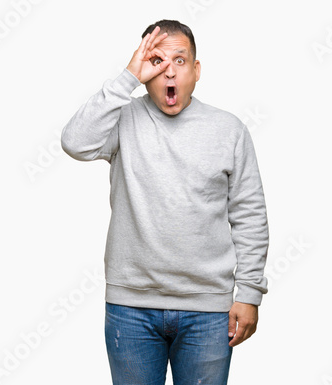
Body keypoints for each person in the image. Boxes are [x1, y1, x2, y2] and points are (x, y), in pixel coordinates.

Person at [61, 19, 269, 385]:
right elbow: (75, 142)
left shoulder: (229, 129)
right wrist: (127, 76)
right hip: (131, 308)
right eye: (156, 61)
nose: (169, 71)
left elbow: (249, 214)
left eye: (180, 60)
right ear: (144, 70)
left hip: (209, 310)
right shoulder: (123, 119)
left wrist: (249, 293)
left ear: (197, 69)